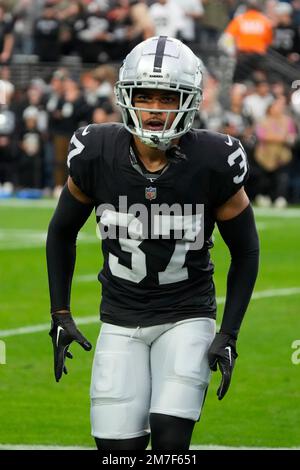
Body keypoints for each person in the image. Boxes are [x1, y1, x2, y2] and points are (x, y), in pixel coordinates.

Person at [46, 36, 259, 451]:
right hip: (119, 320)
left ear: (190, 101)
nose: (156, 110)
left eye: (168, 98)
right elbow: (60, 231)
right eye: (145, 97)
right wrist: (59, 311)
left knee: (169, 441)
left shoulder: (214, 159)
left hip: (186, 316)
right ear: (125, 98)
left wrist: (229, 332)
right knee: (116, 451)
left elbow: (246, 250)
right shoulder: (95, 152)